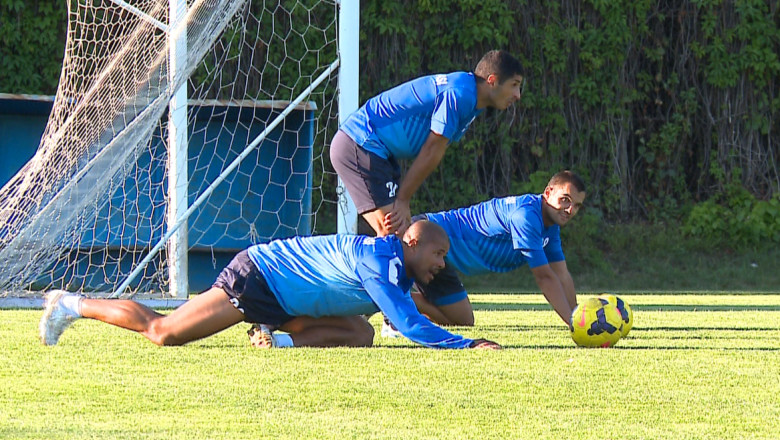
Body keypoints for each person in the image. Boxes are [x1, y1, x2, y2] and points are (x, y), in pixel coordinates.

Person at [39, 220, 500, 350]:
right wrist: (467, 344)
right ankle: (70, 304)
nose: (442, 265)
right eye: (438, 255)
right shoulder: (379, 263)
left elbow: (404, 316)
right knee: (165, 332)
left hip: (285, 301)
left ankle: (276, 339)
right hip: (259, 278)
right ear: (412, 242)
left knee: (361, 333)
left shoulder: (395, 268)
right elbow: (411, 323)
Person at [331, 50, 524, 238]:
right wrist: (404, 199)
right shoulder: (460, 94)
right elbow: (433, 149)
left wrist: (404, 198)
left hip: (378, 152)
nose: (518, 95)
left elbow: (436, 150)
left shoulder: (471, 97)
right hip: (360, 143)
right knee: (394, 235)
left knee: (401, 234)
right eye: (514, 85)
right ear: (492, 80)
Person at [406, 170, 586, 330]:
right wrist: (573, 324)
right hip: (427, 236)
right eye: (565, 200)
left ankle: (405, 299)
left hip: (444, 253)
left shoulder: (551, 226)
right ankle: (394, 312)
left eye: (576, 205)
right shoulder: (526, 216)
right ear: (548, 193)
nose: (570, 210)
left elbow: (561, 273)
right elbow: (544, 277)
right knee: (397, 282)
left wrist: (579, 318)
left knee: (463, 321)